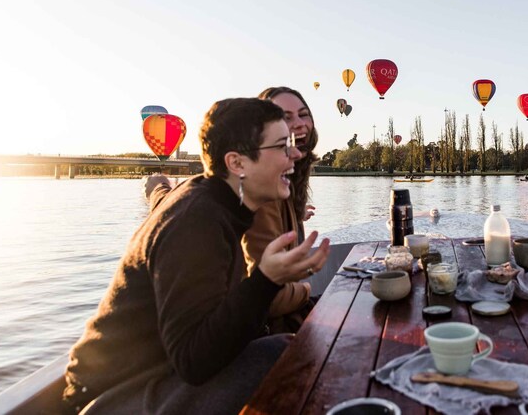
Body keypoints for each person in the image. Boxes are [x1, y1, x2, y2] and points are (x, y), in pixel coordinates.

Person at [62, 98, 330, 414]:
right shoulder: (197, 222)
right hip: (111, 397)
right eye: (282, 146)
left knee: (290, 348)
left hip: (157, 377)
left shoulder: (212, 202)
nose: (295, 154)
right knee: (283, 357)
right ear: (237, 164)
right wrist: (266, 280)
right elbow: (194, 362)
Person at [241, 86, 319, 333]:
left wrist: (296, 215)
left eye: (303, 114)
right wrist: (307, 290)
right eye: (285, 117)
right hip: (265, 332)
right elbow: (269, 297)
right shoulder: (264, 190)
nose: (299, 124)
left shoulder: (288, 186)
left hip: (284, 319)